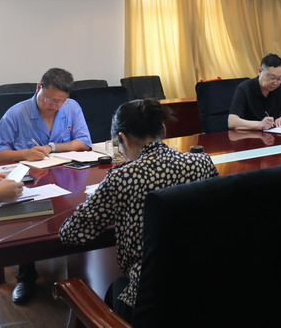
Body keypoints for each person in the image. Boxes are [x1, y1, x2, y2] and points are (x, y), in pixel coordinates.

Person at [59, 99, 219, 322]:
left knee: (116, 288)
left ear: (122, 138)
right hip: (206, 291)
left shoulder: (122, 177)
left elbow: (71, 234)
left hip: (151, 303)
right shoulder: (202, 163)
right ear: (163, 129)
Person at [0, 67, 92, 305]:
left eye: (60, 101)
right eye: (49, 99)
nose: (54, 105)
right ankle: (26, 276)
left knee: (79, 212)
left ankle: (81, 275)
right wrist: (24, 153)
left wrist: (52, 147)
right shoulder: (17, 113)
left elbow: (83, 142)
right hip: (30, 180)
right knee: (29, 225)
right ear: (38, 87)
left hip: (66, 178)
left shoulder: (72, 107)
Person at [228, 54, 281, 130]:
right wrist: (259, 124)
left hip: (273, 134)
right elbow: (232, 122)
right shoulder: (244, 88)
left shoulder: (279, 88)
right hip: (250, 134)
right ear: (260, 71)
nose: (275, 83)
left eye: (280, 78)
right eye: (272, 78)